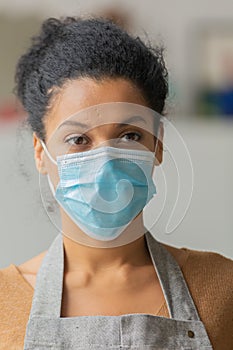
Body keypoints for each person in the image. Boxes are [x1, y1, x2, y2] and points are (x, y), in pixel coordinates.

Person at [0, 15, 232, 350]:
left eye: (130, 135)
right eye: (79, 139)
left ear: (158, 144)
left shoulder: (223, 289)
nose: (106, 161)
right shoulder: (6, 304)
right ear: (40, 152)